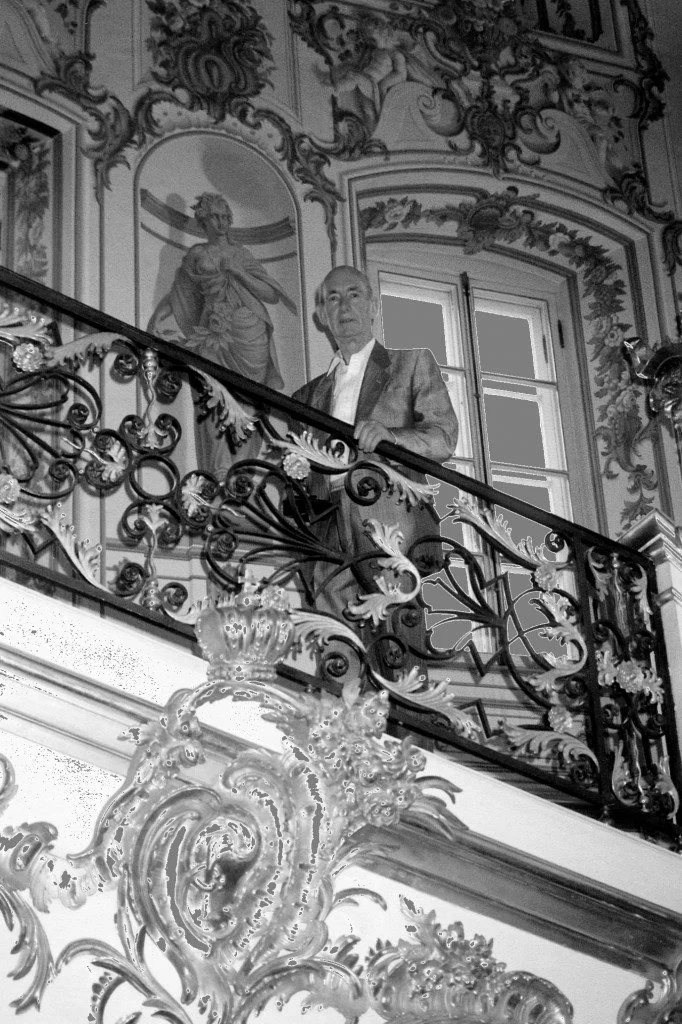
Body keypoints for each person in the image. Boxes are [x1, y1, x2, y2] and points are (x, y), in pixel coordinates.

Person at [290, 265, 458, 667]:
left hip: (388, 521)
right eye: (333, 298)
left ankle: (411, 725)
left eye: (353, 294)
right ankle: (339, 724)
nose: (344, 305)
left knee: (397, 636)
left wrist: (391, 437)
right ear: (321, 316)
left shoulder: (412, 363)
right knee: (335, 641)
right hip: (326, 525)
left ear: (373, 307)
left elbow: (443, 437)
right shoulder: (305, 396)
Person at [147, 192, 296, 478]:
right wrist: (158, 317)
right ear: (204, 219)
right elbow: (181, 295)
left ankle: (242, 471)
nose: (223, 222)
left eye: (227, 216)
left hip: (249, 330)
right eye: (216, 216)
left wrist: (239, 273)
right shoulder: (197, 255)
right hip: (213, 330)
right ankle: (218, 469)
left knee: (248, 399)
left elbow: (270, 294)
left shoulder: (242, 254)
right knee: (210, 390)